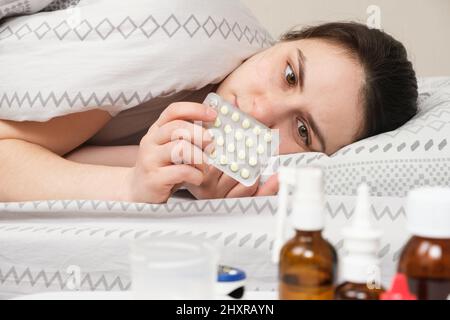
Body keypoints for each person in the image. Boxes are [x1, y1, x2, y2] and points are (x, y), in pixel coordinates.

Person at [0, 22, 418, 203]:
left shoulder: (205, 127)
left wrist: (173, 172)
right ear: (286, 39)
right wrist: (128, 188)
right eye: (289, 74)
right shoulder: (183, 46)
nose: (261, 109)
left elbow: (54, 158)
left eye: (304, 130)